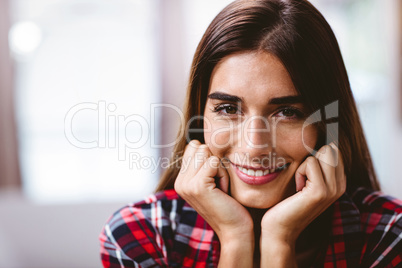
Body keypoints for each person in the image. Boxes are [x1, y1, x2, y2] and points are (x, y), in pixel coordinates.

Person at [99, 0, 402, 267]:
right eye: (229, 109)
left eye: (288, 112)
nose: (255, 146)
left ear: (328, 124)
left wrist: (279, 241)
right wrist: (235, 239)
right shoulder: (141, 236)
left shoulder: (388, 235)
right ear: (199, 117)